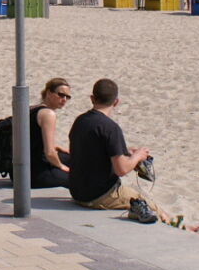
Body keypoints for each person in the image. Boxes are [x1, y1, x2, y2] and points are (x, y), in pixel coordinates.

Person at [68, 78, 166, 222]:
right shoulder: (111, 128)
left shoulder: (80, 121)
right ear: (116, 102)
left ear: (92, 98)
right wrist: (138, 156)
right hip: (99, 195)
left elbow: (93, 150)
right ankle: (184, 228)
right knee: (151, 206)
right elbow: (121, 169)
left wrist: (124, 151)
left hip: (77, 192)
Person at [28, 78, 73, 188]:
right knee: (77, 178)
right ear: (48, 93)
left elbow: (33, 139)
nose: (64, 99)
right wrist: (62, 167)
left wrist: (55, 147)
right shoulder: (48, 114)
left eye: (67, 97)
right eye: (61, 95)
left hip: (21, 169)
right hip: (36, 173)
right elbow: (49, 153)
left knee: (74, 158)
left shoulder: (32, 109)